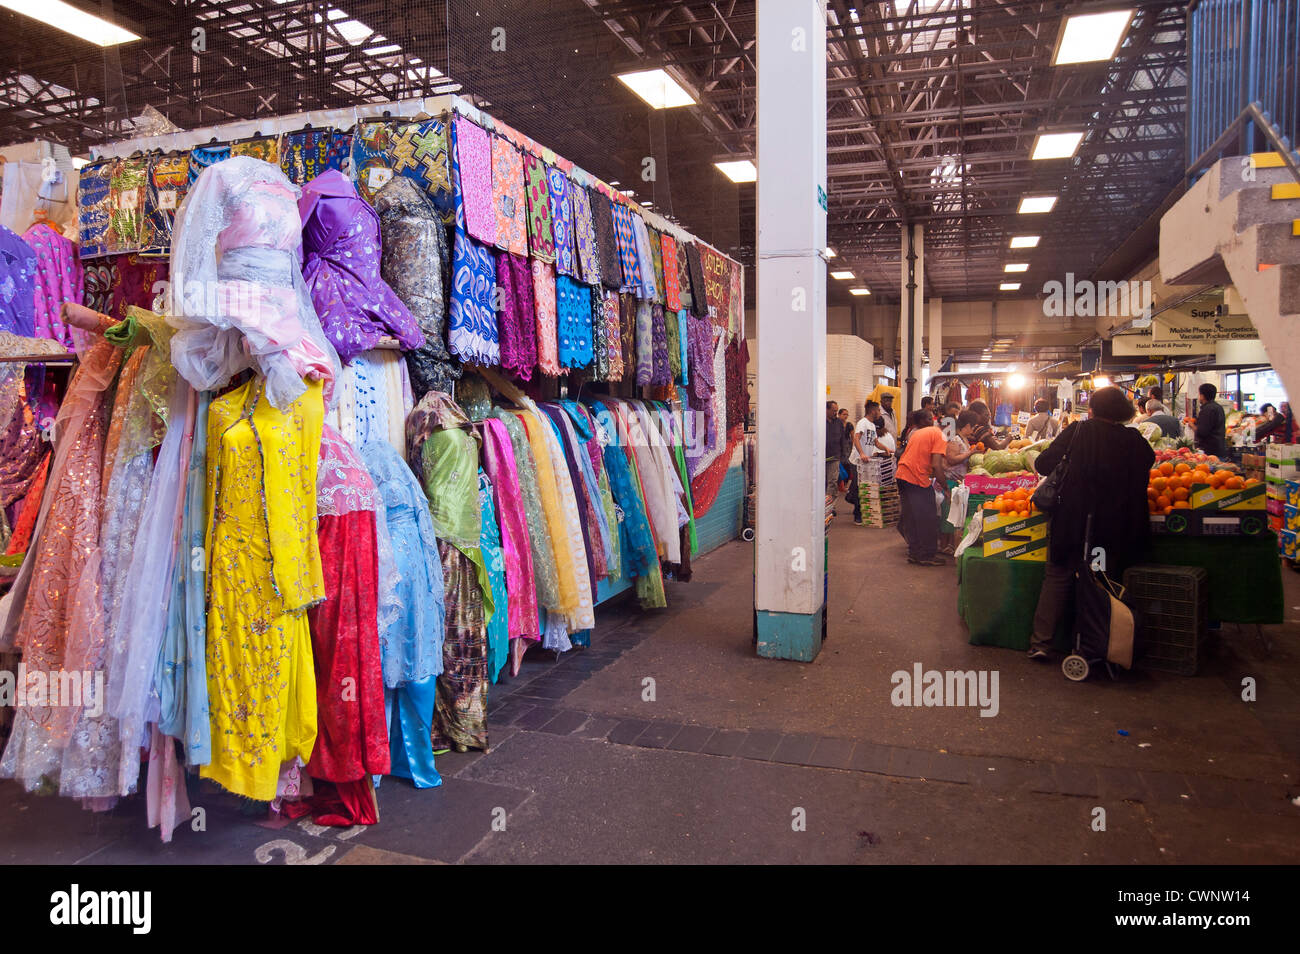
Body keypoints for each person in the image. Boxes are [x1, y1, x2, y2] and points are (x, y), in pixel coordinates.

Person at [1028, 386, 1155, 659]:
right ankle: (1101, 642)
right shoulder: (1134, 440)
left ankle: (1042, 643)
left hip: (1072, 520)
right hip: (1114, 525)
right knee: (1104, 580)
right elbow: (1147, 466)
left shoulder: (1078, 432)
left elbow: (1043, 463)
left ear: (1092, 409)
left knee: (1058, 576)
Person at [896, 409, 949, 566]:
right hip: (916, 478)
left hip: (902, 475)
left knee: (911, 517)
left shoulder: (916, 433)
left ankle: (914, 552)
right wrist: (945, 485)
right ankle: (927, 554)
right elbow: (936, 464)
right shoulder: (938, 434)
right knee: (927, 517)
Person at [938, 410, 980, 552]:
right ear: (967, 425)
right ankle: (943, 545)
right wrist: (970, 453)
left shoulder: (964, 440)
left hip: (958, 483)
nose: (974, 429)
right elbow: (951, 459)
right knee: (948, 515)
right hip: (950, 483)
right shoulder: (955, 440)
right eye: (973, 426)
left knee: (954, 515)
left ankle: (949, 545)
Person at [849, 399, 889, 524]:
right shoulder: (863, 423)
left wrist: (886, 448)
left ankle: (853, 501)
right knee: (858, 487)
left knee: (863, 487)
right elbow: (856, 438)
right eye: (878, 410)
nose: (879, 413)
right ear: (872, 411)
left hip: (866, 462)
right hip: (857, 461)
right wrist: (861, 453)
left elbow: (876, 442)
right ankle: (857, 515)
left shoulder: (872, 425)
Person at [1194, 383, 1228, 457]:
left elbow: (1202, 432)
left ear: (1202, 396)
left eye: (1199, 394)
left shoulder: (1207, 409)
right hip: (1219, 448)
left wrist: (1191, 425)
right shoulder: (1219, 407)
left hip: (1210, 452)